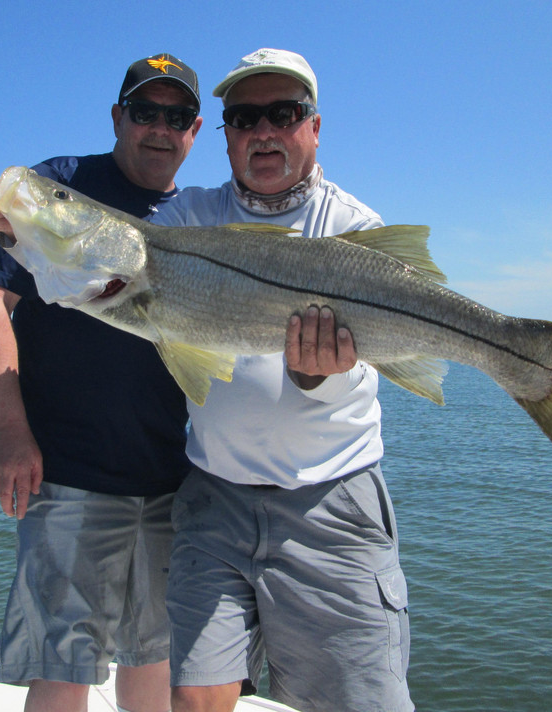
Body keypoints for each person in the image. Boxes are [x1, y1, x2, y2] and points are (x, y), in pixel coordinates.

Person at [149, 49, 414, 712]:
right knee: (197, 701)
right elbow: (110, 255)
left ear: (314, 128)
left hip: (332, 503)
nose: (263, 131)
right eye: (243, 118)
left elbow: (350, 369)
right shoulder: (185, 220)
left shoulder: (353, 228)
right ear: (226, 134)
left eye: (283, 114)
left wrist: (312, 374)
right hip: (215, 499)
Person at [0, 53, 203, 712]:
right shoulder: (59, 188)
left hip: (169, 480)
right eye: (145, 112)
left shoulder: (195, 220)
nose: (160, 128)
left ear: (196, 129)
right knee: (63, 669)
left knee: (154, 658)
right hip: (67, 474)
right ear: (118, 118)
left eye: (176, 116)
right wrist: (9, 430)